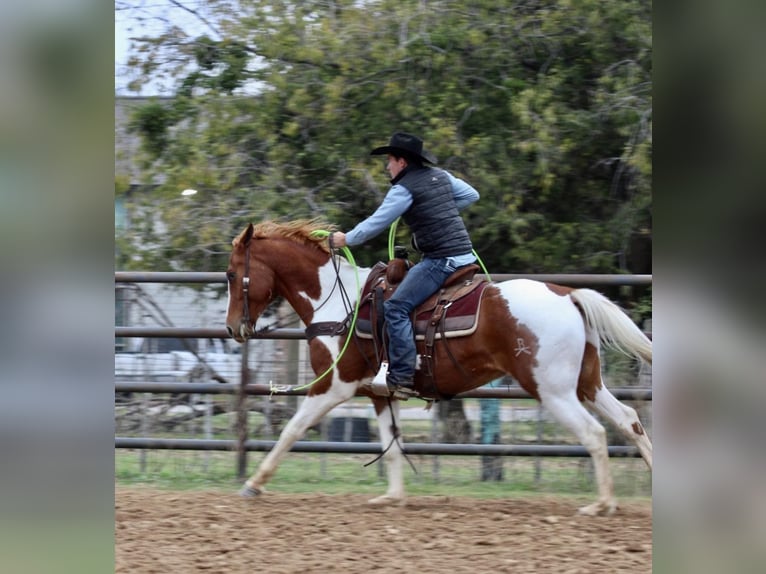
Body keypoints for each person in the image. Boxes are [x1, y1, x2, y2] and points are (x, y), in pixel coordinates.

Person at [331, 132, 479, 399]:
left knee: (395, 308)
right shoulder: (442, 176)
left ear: (402, 162)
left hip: (440, 261)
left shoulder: (403, 189)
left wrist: (345, 239)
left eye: (389, 160)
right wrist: (437, 209)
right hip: (466, 257)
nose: (387, 166)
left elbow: (376, 222)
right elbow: (472, 195)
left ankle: (402, 376)